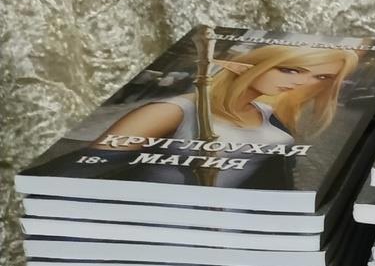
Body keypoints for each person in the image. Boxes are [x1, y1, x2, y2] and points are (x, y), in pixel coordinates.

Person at [80, 44, 357, 187]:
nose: (303, 83)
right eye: (291, 70)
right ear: (249, 65)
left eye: (321, 77)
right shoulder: (173, 111)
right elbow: (82, 172)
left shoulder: (269, 114)